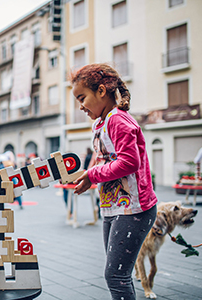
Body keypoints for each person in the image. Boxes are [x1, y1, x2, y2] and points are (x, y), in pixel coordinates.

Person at [71, 63, 157, 300]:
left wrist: (93, 175)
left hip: (134, 209)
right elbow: (103, 161)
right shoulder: (100, 123)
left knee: (116, 276)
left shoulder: (118, 120)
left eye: (82, 97)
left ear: (101, 91)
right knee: (118, 275)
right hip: (115, 207)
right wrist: (88, 176)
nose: (80, 106)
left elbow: (130, 163)